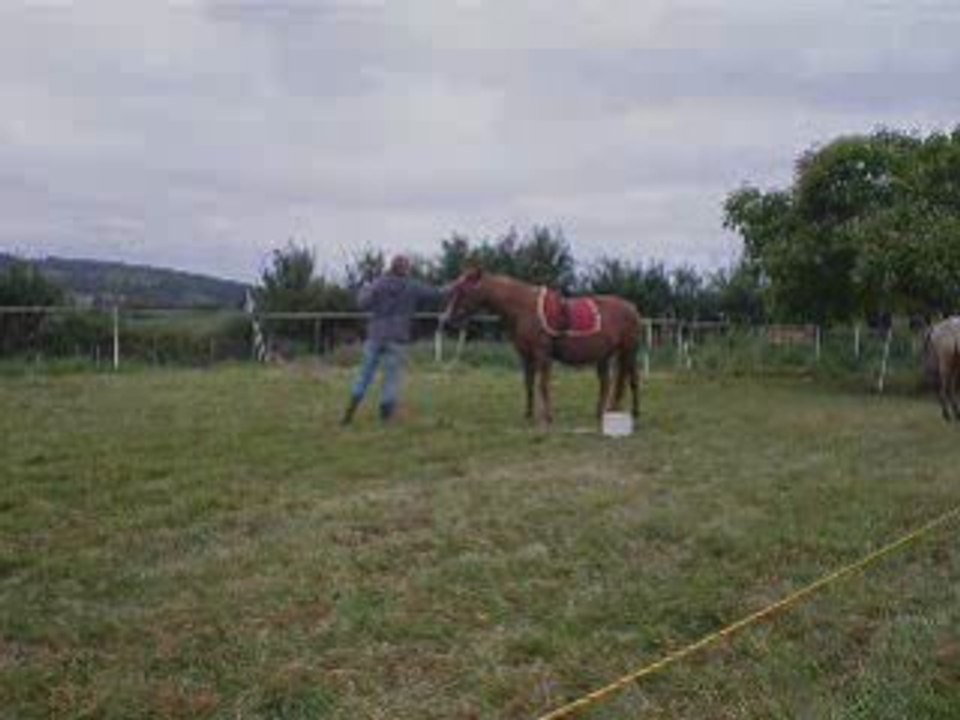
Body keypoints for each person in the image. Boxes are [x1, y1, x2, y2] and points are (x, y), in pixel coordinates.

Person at [341, 255, 450, 425]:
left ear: (391, 267)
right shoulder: (412, 286)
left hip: (375, 336)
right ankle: (386, 418)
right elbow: (437, 293)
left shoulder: (378, 283)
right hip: (397, 339)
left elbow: (361, 303)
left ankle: (349, 414)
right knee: (391, 379)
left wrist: (363, 289)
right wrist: (459, 283)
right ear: (405, 269)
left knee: (364, 376)